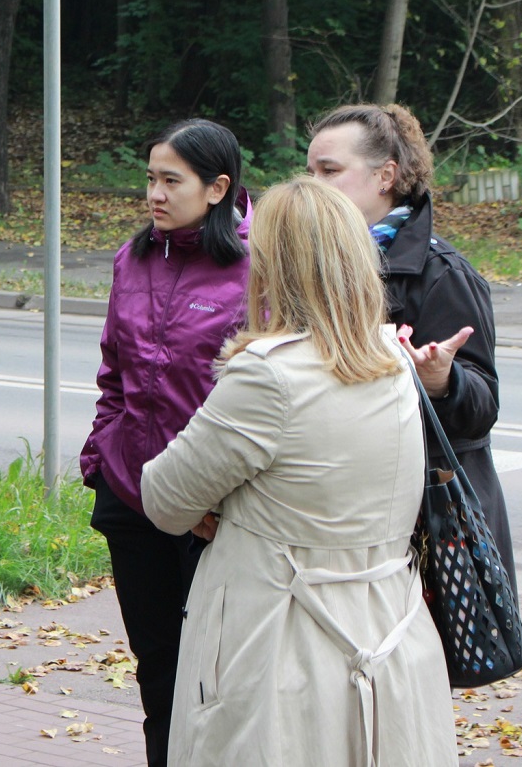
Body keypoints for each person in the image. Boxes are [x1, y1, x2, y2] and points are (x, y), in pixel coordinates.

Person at [140, 177, 457, 766]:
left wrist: (225, 506)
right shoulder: (392, 361)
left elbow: (163, 497)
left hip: (283, 638)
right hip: (391, 630)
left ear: (271, 266)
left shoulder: (268, 376)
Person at [77, 119, 250, 766]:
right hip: (135, 497)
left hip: (213, 516)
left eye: (170, 180)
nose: (154, 192)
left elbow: (261, 403)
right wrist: (101, 457)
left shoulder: (255, 269)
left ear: (217, 188)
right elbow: (115, 372)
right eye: (149, 177)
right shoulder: (135, 256)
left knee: (219, 683)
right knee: (160, 677)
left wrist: (221, 500)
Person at [306, 103, 512, 585]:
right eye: (309, 169)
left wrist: (444, 381)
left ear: (386, 176)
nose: (313, 184)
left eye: (330, 171)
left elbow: (482, 406)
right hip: (338, 512)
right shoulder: (313, 264)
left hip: (420, 527)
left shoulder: (441, 274)